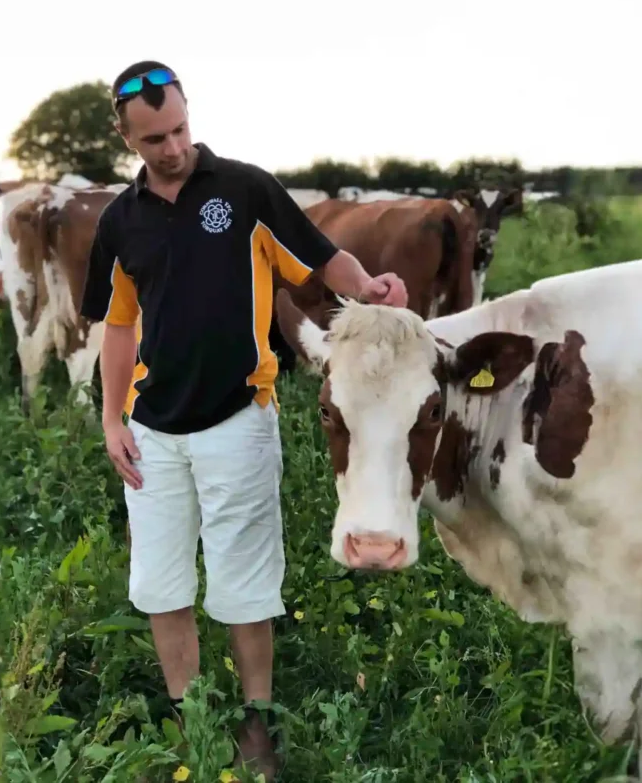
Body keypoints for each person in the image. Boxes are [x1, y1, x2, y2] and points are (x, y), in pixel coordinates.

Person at [81, 61, 409, 777]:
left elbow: (322, 259)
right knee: (162, 584)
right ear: (125, 136)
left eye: (178, 130)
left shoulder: (245, 189)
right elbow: (116, 326)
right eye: (152, 140)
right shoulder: (120, 221)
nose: (170, 148)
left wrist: (370, 286)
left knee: (244, 584)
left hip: (238, 417)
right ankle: (190, 719)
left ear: (190, 114)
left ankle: (256, 724)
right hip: (152, 432)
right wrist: (111, 420)